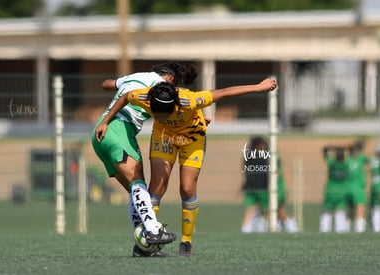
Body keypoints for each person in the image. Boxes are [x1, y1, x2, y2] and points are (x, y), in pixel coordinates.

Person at [95, 77, 277, 256]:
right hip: (164, 135)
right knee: (157, 186)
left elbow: (224, 92)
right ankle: (147, 238)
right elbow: (125, 96)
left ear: (174, 106)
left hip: (192, 138)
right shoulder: (145, 96)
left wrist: (259, 87)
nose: (158, 116)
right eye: (155, 113)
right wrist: (105, 121)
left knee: (187, 188)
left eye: (162, 114)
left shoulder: (189, 100)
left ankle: (186, 241)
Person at [91, 62, 197, 257]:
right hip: (118, 129)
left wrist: (121, 83)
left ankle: (144, 248)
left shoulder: (135, 76)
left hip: (101, 133)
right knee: (138, 181)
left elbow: (107, 84)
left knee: (135, 191)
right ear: (171, 79)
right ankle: (153, 231)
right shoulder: (159, 86)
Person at [240, 136, 297, 233]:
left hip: (270, 188)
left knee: (277, 210)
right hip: (256, 188)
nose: (260, 149)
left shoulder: (271, 157)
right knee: (255, 209)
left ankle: (287, 226)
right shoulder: (250, 157)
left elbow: (278, 173)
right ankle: (248, 228)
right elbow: (247, 171)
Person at [319, 146, 349, 233]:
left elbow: (324, 151)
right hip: (342, 191)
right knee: (340, 211)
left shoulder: (332, 163)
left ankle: (324, 229)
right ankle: (340, 230)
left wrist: (332, 148)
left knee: (327, 211)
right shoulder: (346, 164)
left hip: (331, 191)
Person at [345, 140, 369, 233]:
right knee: (360, 209)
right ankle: (359, 230)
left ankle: (346, 229)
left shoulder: (347, 161)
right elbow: (369, 160)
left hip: (348, 188)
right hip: (358, 189)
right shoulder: (361, 158)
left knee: (349, 210)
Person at [370, 143, 380, 232]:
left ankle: (376, 228)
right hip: (379, 185)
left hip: (375, 185)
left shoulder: (373, 160)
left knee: (376, 208)